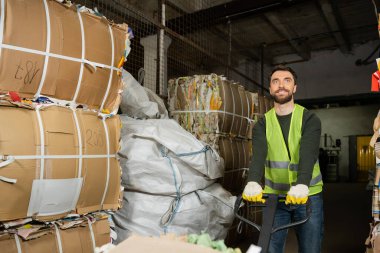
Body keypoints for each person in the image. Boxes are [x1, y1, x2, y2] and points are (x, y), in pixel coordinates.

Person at [242, 65, 324, 253]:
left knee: (310, 249)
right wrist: (253, 181)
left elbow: (308, 153)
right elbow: (259, 154)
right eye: (275, 81)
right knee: (269, 248)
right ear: (270, 89)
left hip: (308, 195)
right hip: (275, 197)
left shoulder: (309, 119)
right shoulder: (262, 123)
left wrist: (302, 184)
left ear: (294, 88)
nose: (281, 85)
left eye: (287, 81)